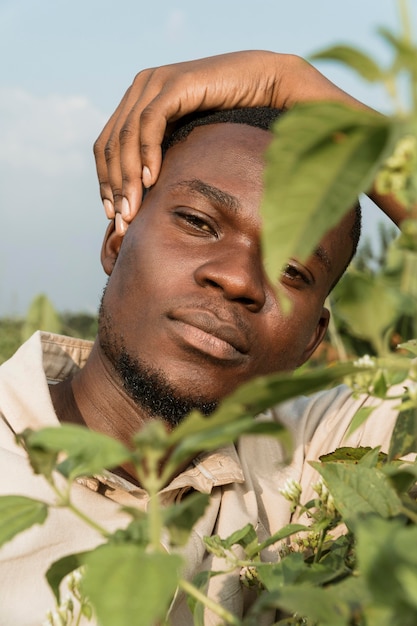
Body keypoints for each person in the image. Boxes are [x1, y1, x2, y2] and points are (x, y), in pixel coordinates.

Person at [0, 53, 408, 626]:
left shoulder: (322, 460)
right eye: (197, 222)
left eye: (292, 270)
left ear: (313, 340)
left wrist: (290, 83)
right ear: (116, 242)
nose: (239, 278)